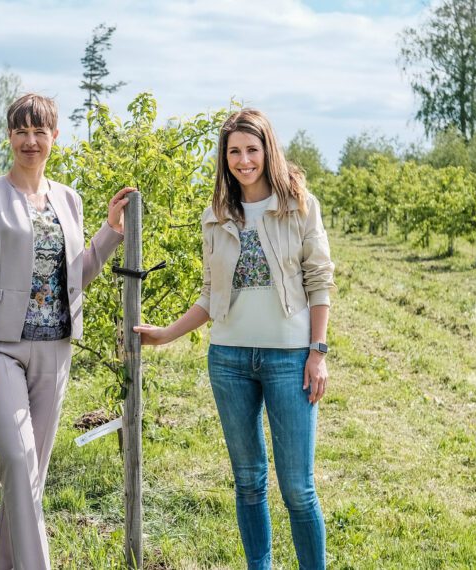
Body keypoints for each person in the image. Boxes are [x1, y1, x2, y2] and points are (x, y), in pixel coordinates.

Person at [134, 108, 334, 570]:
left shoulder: (299, 205)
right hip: (228, 359)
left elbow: (319, 280)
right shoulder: (217, 215)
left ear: (268, 151)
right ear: (224, 159)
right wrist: (165, 334)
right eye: (234, 152)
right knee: (247, 482)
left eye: (252, 150)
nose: (244, 160)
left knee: (298, 488)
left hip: (289, 358)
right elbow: (211, 295)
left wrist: (317, 352)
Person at [0, 93, 134, 570]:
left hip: (55, 350)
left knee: (28, 477)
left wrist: (111, 231)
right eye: (21, 131)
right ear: (9, 137)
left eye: (40, 131)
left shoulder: (69, 199)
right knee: (18, 462)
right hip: (0, 350)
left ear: (55, 136)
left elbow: (77, 274)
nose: (30, 141)